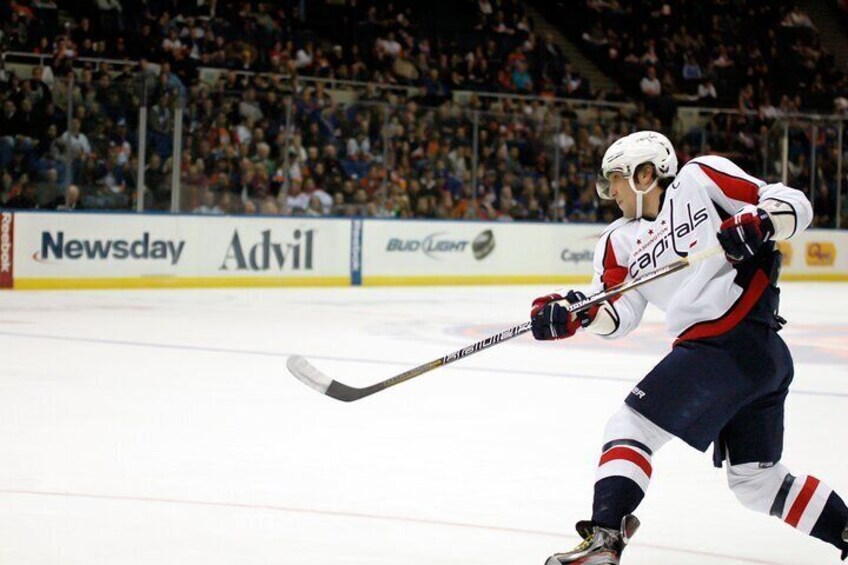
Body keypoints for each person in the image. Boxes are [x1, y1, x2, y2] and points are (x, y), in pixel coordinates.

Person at [530, 131, 848, 564]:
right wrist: (578, 313)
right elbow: (619, 315)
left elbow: (794, 204)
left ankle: (605, 540)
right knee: (757, 482)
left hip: (729, 344)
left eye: (617, 178)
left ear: (646, 174)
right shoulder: (617, 241)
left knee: (631, 426)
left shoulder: (698, 180)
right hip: (747, 358)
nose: (612, 190)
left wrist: (764, 221)